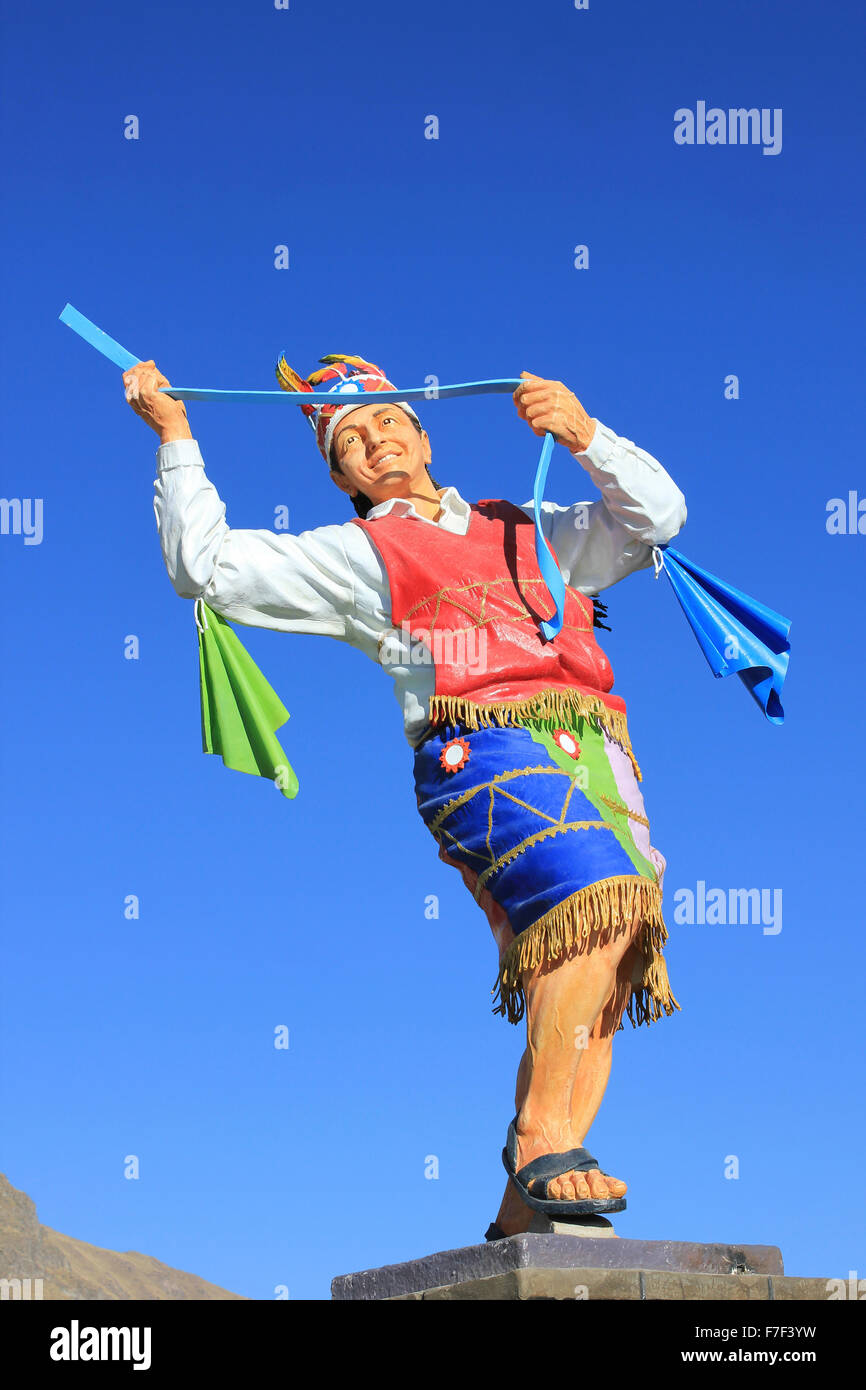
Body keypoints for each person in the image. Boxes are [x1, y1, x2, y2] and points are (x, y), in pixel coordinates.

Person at [123, 351, 687, 1238]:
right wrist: (176, 435)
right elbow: (207, 566)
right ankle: (542, 1138)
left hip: (602, 750)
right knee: (594, 907)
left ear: (423, 433)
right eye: (351, 441)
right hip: (482, 748)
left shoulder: (527, 525)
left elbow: (656, 519)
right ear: (340, 474)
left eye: (388, 422)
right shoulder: (357, 553)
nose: (376, 441)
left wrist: (584, 434)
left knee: (598, 972)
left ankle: (520, 1219)